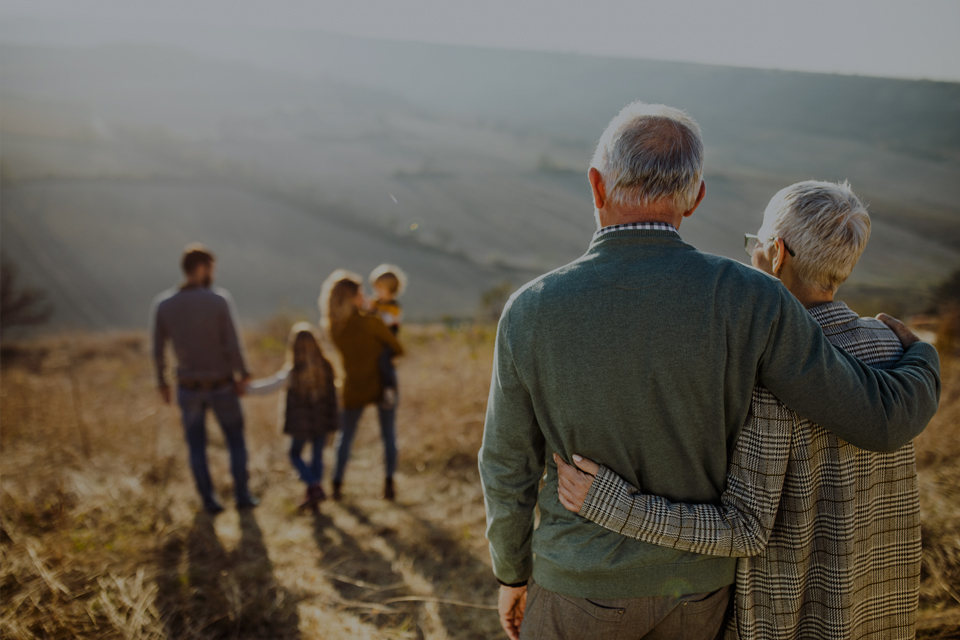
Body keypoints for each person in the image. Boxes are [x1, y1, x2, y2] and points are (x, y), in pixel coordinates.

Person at [477, 102, 941, 640]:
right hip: (699, 594)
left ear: (596, 186)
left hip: (578, 585)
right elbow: (874, 416)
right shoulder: (752, 298)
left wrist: (512, 573)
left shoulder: (530, 308)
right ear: (695, 198)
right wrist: (921, 356)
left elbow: (506, 466)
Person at [555, 180, 924, 640]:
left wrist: (614, 505)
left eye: (755, 246)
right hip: (879, 610)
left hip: (790, 618)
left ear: (776, 253)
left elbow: (746, 529)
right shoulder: (892, 348)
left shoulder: (764, 372)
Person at [151, 244, 257, 514]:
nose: (213, 274)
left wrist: (162, 383)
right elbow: (232, 344)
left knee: (196, 446)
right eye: (211, 268)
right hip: (221, 385)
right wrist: (243, 374)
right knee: (236, 441)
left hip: (187, 388)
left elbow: (157, 348)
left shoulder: (164, 304)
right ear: (201, 268)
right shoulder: (218, 300)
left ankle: (209, 501)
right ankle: (242, 496)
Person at [320, 269, 405, 501]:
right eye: (360, 292)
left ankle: (336, 484)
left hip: (353, 384)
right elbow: (397, 348)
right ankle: (389, 483)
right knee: (388, 434)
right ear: (352, 296)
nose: (365, 295)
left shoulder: (334, 328)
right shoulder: (371, 322)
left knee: (345, 436)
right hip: (383, 382)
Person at [248, 323, 338, 512]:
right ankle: (314, 492)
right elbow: (334, 396)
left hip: (301, 424)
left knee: (294, 454)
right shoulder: (326, 366)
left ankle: (314, 486)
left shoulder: (293, 371)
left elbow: (269, 386)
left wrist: (246, 389)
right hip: (321, 421)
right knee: (317, 457)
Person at [367, 264, 407, 409]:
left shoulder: (394, 307)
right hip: (375, 341)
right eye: (375, 288)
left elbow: (388, 321)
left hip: (388, 343)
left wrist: (374, 311)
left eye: (380, 289)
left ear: (391, 290)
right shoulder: (375, 303)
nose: (377, 292)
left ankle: (389, 389)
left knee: (384, 362)